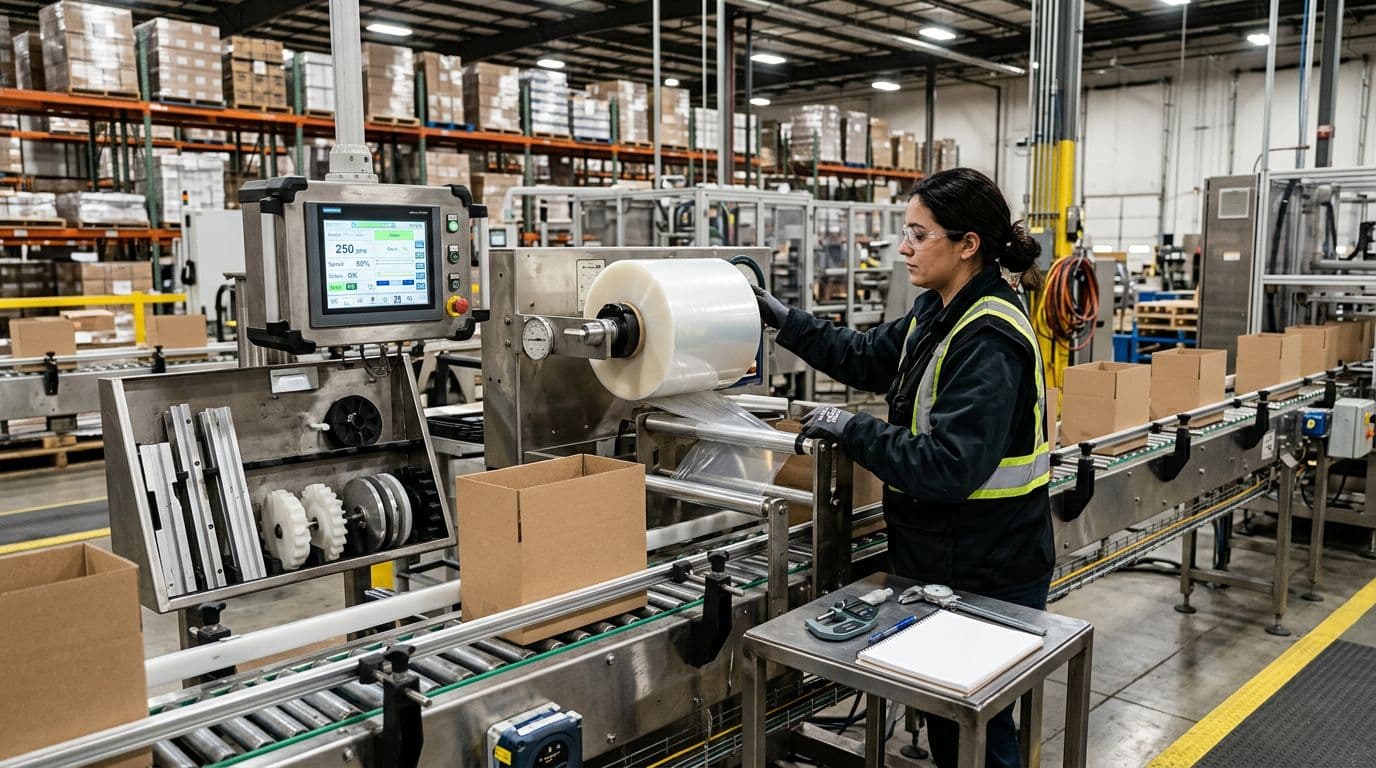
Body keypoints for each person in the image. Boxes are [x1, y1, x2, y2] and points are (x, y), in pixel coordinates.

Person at [755, 167, 1054, 768]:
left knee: (976, 736)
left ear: (968, 244)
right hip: (943, 554)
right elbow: (866, 356)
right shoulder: (936, 309)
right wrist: (782, 320)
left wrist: (852, 427)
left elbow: (948, 466)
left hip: (988, 566)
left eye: (919, 235)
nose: (903, 248)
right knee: (951, 724)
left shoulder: (988, 337)